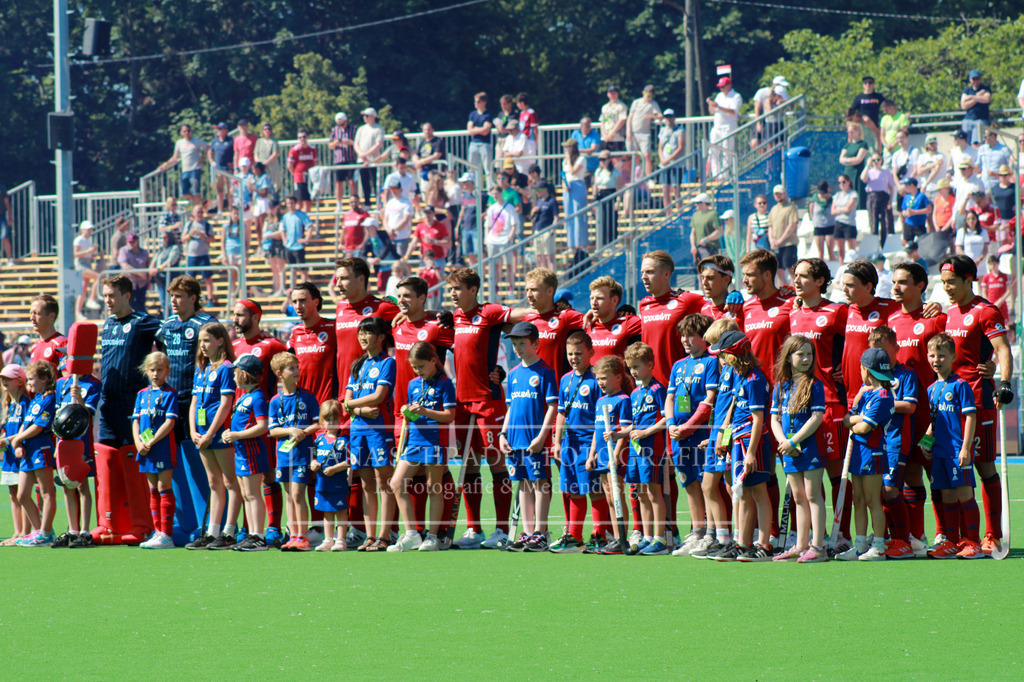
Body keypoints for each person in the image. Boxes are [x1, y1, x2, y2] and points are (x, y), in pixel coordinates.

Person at [939, 254, 1014, 555]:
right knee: (951, 466)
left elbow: (1002, 350)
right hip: (951, 403)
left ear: (968, 279)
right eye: (943, 283)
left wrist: (1004, 382)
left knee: (983, 465)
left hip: (979, 398)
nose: (947, 288)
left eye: (952, 282)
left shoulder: (985, 311)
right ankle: (957, 538)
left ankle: (992, 535)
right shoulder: (948, 313)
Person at [446, 267, 523, 549]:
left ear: (473, 290)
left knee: (496, 463)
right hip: (462, 402)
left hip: (487, 401)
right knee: (468, 465)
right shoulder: (455, 316)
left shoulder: (489, 312)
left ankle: (502, 530)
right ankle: (474, 529)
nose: (452, 294)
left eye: (457, 288)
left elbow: (524, 317)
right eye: (450, 288)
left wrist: (501, 371)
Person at [789, 259, 852, 550]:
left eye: (804, 276)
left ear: (820, 281)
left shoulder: (837, 311)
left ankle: (842, 534)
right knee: (806, 479)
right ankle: (816, 536)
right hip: (798, 407)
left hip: (829, 404)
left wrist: (843, 369)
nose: (797, 281)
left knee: (837, 472)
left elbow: (862, 336)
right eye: (796, 275)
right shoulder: (792, 311)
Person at [94, 275, 162, 545]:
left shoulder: (144, 322)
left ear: (126, 296)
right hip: (107, 406)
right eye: (105, 296)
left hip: (133, 407)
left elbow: (167, 344)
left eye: (112, 296)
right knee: (106, 464)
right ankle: (107, 524)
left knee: (136, 468)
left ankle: (142, 525)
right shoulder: (108, 324)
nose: (107, 301)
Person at [887, 262, 945, 554]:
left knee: (937, 473)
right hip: (905, 413)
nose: (896, 287)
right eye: (894, 282)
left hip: (933, 413)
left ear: (921, 285)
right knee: (910, 473)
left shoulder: (936, 319)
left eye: (903, 282)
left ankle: (943, 534)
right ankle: (916, 536)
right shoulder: (891, 319)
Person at [155, 276, 217, 545]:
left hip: (197, 403)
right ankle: (183, 525)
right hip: (170, 403)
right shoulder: (165, 326)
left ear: (193, 298)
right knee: (173, 465)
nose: (174, 301)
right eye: (172, 296)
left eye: (179, 296)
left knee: (199, 466)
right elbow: (158, 356)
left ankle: (206, 524)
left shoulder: (205, 325)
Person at [388, 341, 456, 552]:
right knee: (397, 483)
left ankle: (433, 537)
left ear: (433, 361)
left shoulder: (445, 384)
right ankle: (411, 535)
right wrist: (407, 410)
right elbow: (411, 412)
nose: (417, 371)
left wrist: (425, 411)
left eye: (420, 366)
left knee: (434, 488)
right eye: (414, 367)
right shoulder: (413, 384)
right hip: (414, 441)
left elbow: (450, 416)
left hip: (435, 441)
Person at [920, 333, 981, 559]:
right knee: (946, 495)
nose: (937, 360)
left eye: (942, 356)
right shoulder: (931, 389)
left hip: (957, 452)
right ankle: (952, 543)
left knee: (965, 494)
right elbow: (934, 420)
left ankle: (973, 542)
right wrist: (925, 443)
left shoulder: (960, 385)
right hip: (940, 453)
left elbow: (971, 417)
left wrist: (966, 448)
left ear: (953, 357)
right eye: (933, 355)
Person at [770, 335, 827, 562]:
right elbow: (774, 419)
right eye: (800, 354)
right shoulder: (780, 387)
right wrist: (784, 442)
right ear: (788, 357)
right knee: (798, 497)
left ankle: (818, 547)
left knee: (813, 495)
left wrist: (794, 442)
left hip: (809, 448)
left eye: (809, 354)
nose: (805, 358)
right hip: (789, 450)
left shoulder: (815, 385)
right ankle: (801, 545)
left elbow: (816, 417)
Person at [665, 314, 718, 556]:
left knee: (706, 485)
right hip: (678, 435)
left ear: (704, 337)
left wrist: (691, 426)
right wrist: (670, 424)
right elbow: (670, 398)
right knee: (688, 484)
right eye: (683, 335)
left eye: (691, 335)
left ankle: (711, 534)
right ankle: (696, 532)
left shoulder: (711, 362)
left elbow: (709, 399)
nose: (685, 339)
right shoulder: (678, 365)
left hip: (700, 435)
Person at [550, 332, 607, 553]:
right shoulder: (566, 379)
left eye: (579, 353)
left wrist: (593, 450)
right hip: (569, 445)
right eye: (570, 354)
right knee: (573, 489)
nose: (574, 358)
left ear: (591, 353)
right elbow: (561, 413)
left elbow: (598, 418)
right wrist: (556, 442)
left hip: (588, 444)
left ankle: (599, 535)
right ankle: (574, 536)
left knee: (594, 490)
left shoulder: (596, 380)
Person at [836, 348, 895, 561]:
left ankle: (878, 546)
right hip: (859, 453)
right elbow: (847, 419)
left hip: (873, 453)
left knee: (872, 500)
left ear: (866, 370)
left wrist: (855, 420)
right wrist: (856, 418)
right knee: (858, 499)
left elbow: (862, 428)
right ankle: (860, 545)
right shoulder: (867, 393)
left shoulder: (883, 396)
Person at [184, 323, 239, 550]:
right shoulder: (202, 368)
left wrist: (210, 433)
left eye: (207, 340)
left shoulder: (226, 368)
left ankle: (229, 532)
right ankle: (212, 531)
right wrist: (193, 431)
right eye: (200, 341)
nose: (203, 346)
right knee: (214, 482)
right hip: (203, 434)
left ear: (220, 340)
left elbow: (226, 403)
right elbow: (194, 402)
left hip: (219, 433)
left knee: (230, 481)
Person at [343, 316, 397, 551]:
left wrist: (353, 405)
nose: (363, 337)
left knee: (384, 482)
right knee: (366, 484)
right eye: (360, 333)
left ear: (382, 337)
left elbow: (379, 397)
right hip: (357, 430)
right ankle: (370, 536)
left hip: (378, 430)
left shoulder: (388, 362)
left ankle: (384, 536)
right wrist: (360, 408)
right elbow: (346, 402)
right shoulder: (358, 364)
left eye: (368, 332)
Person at [613, 342, 668, 555]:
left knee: (654, 492)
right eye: (630, 367)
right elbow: (633, 425)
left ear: (650, 365)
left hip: (651, 449)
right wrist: (620, 434)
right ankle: (646, 536)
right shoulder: (634, 393)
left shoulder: (658, 389)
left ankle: (660, 539)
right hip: (635, 451)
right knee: (640, 493)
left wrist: (646, 433)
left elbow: (666, 418)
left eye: (636, 367)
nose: (633, 372)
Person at [866, 326, 917, 559]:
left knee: (890, 489)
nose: (881, 358)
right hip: (875, 442)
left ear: (896, 349)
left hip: (896, 440)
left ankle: (904, 540)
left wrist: (882, 402)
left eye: (885, 352)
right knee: (878, 491)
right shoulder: (871, 378)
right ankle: (888, 537)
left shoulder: (905, 375)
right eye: (876, 353)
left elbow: (910, 405)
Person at [268, 351, 319, 552]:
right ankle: (293, 534)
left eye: (297, 367)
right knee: (289, 495)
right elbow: (272, 430)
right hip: (284, 455)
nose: (297, 371)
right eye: (292, 368)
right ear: (280, 374)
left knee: (298, 494)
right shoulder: (274, 401)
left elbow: (318, 423)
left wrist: (303, 433)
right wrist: (291, 430)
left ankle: (303, 537)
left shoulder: (307, 397)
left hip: (302, 454)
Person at [221, 353, 272, 551]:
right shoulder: (247, 396)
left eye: (236, 373)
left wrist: (238, 435)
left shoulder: (257, 397)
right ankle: (252, 534)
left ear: (244, 374)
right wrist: (231, 434)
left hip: (251, 452)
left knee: (252, 494)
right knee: (246, 493)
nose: (233, 377)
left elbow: (262, 426)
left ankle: (258, 536)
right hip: (242, 452)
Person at [51, 354, 100, 547]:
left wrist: (78, 396)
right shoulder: (61, 383)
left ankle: (85, 531)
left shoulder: (93, 384)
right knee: (66, 482)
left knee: (81, 485)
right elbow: (57, 415)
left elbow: (88, 414)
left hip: (82, 440)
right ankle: (72, 529)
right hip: (63, 441)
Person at [132, 351, 178, 550]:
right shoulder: (142, 394)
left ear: (167, 371)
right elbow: (135, 421)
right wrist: (138, 443)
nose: (155, 374)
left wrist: (152, 441)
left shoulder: (170, 394)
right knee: (152, 490)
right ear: (146, 371)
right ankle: (157, 531)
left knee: (163, 487)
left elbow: (170, 422)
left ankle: (167, 534)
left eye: (160, 370)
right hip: (144, 448)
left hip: (162, 447)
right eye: (152, 370)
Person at [8, 361, 58, 546]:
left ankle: (45, 533)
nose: (28, 384)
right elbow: (27, 422)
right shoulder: (35, 398)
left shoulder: (49, 398)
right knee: (22, 494)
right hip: (28, 450)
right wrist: (19, 439)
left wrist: (18, 438)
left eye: (31, 380)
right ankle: (39, 531)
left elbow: (39, 426)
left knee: (47, 492)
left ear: (44, 379)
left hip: (40, 448)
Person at [588, 354, 632, 554]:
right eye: (598, 379)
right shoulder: (600, 401)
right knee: (608, 497)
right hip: (602, 457)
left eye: (604, 378)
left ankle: (622, 537)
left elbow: (624, 431)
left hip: (616, 457)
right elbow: (597, 432)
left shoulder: (622, 400)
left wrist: (615, 454)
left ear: (618, 377)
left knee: (617, 496)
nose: (601, 382)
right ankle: (615, 537)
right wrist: (591, 455)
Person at [310, 400, 351, 551]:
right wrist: (313, 463)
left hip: (339, 483)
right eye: (328, 419)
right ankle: (328, 539)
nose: (331, 422)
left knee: (341, 511)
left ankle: (341, 539)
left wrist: (335, 468)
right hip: (322, 484)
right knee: (327, 512)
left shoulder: (344, 440)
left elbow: (350, 461)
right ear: (322, 421)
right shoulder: (319, 440)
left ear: (341, 419)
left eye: (335, 419)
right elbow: (313, 457)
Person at [0, 364, 31, 545]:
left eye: (8, 378)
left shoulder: (25, 402)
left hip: (21, 453)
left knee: (23, 494)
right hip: (10, 455)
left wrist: (9, 439)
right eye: (3, 378)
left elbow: (25, 428)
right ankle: (17, 532)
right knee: (13, 493)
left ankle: (26, 532)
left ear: (19, 381)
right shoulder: (9, 404)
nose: (4, 381)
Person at [584, 276, 642, 361]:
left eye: (599, 298)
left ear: (614, 300)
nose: (593, 303)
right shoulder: (587, 322)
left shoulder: (627, 323)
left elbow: (655, 324)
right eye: (592, 298)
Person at [160, 124, 208, 207]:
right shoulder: (179, 143)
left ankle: (195, 211)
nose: (187, 133)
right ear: (181, 132)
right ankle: (204, 202)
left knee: (195, 192)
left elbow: (209, 147)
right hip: (185, 170)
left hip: (195, 169)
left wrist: (202, 158)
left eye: (188, 131)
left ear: (191, 131)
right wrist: (165, 164)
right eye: (184, 131)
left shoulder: (197, 141)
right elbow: (175, 157)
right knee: (184, 193)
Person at [707, 76, 742, 176]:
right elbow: (712, 112)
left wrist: (718, 106)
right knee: (713, 151)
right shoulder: (719, 96)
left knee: (727, 151)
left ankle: (724, 175)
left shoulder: (736, 96)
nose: (721, 89)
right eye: (720, 87)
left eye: (723, 87)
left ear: (729, 85)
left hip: (728, 127)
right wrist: (711, 104)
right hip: (717, 127)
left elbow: (732, 111)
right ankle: (716, 175)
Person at [183, 205, 216, 305]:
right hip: (191, 256)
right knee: (189, 279)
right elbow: (183, 239)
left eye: (201, 212)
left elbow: (213, 239)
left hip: (203, 255)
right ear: (193, 213)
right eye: (198, 212)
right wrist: (191, 234)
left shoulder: (207, 225)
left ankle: (210, 299)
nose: (200, 214)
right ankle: (189, 299)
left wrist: (204, 236)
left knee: (207, 277)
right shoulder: (189, 225)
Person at [626, 85, 662, 177]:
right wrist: (628, 131)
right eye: (648, 95)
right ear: (643, 93)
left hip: (644, 133)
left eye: (651, 95)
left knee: (646, 155)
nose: (649, 97)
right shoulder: (636, 102)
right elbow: (630, 117)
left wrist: (652, 116)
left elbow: (660, 116)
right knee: (635, 156)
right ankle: (636, 177)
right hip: (633, 132)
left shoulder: (653, 104)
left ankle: (649, 177)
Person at [861, 153, 895, 248]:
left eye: (878, 159)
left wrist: (890, 201)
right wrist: (868, 165)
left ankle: (884, 244)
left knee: (885, 222)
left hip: (883, 196)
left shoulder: (886, 172)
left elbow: (891, 188)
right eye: (874, 160)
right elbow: (863, 178)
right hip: (872, 197)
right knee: (873, 222)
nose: (876, 162)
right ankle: (874, 245)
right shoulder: (869, 172)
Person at [767, 185, 799, 284]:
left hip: (788, 244)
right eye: (776, 194)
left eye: (780, 193)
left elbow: (792, 225)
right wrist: (771, 240)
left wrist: (780, 240)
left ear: (785, 194)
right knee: (779, 270)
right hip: (776, 246)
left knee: (791, 270)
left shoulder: (791, 207)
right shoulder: (773, 209)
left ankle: (794, 293)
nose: (778, 196)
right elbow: (770, 226)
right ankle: (784, 294)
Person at [592, 150, 623, 248]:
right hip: (600, 195)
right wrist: (594, 199)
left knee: (611, 220)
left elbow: (619, 188)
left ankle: (612, 243)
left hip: (610, 195)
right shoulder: (598, 171)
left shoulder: (615, 172)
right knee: (601, 220)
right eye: (600, 159)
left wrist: (618, 201)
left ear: (609, 160)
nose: (601, 161)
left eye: (603, 159)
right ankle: (602, 242)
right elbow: (595, 186)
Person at [354, 108, 385, 207]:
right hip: (362, 161)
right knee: (364, 181)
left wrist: (365, 155)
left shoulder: (378, 129)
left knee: (375, 181)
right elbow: (356, 143)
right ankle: (367, 202)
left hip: (373, 160)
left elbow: (378, 145)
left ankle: (378, 202)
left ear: (372, 117)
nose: (364, 118)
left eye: (366, 116)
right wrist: (361, 155)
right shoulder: (361, 129)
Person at [328, 112, 358, 208]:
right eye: (339, 124)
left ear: (346, 121)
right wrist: (337, 142)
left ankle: (354, 202)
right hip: (339, 159)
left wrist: (347, 141)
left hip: (351, 158)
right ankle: (339, 204)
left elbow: (357, 143)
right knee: (339, 182)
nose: (341, 126)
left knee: (352, 182)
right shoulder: (334, 130)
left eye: (342, 124)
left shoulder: (353, 129)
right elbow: (330, 145)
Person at [73, 220, 102, 318]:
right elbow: (75, 254)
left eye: (91, 230)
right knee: (99, 277)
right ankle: (92, 298)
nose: (90, 232)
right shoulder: (79, 240)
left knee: (83, 289)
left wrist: (93, 254)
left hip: (87, 263)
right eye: (88, 230)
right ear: (83, 230)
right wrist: (88, 251)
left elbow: (86, 254)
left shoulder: (87, 240)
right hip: (81, 264)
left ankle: (78, 312)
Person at [850, 76, 885, 152]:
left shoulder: (878, 97)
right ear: (863, 85)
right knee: (863, 148)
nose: (868, 85)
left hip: (874, 127)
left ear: (873, 85)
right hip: (863, 127)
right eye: (866, 83)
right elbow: (852, 111)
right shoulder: (859, 97)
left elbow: (887, 107)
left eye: (870, 83)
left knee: (874, 149)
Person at [118, 232, 151, 311]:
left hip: (141, 284)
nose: (131, 243)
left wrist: (149, 281)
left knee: (141, 304)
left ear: (137, 241)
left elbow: (148, 267)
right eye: (129, 242)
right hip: (129, 283)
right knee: (129, 304)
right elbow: (124, 265)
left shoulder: (144, 252)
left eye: (133, 241)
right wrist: (139, 273)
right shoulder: (123, 250)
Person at [467, 92, 494, 187]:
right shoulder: (472, 114)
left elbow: (486, 131)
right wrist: (481, 129)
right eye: (475, 101)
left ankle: (490, 190)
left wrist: (475, 129)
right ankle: (474, 189)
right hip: (474, 143)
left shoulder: (488, 114)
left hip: (485, 144)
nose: (476, 103)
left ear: (484, 102)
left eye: (478, 101)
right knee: (472, 169)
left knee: (487, 168)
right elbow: (469, 130)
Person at [839, 120, 869, 206]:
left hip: (857, 172)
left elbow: (858, 159)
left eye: (852, 132)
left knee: (858, 193)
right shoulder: (847, 145)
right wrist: (849, 161)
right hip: (848, 172)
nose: (850, 134)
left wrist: (847, 160)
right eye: (848, 132)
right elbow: (841, 159)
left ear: (858, 131)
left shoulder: (863, 144)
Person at [207, 122, 234, 214]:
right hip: (218, 170)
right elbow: (210, 152)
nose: (218, 131)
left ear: (225, 130)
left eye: (220, 129)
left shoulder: (230, 141)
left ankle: (231, 209)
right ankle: (220, 210)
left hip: (228, 170)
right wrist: (212, 162)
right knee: (219, 191)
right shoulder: (215, 141)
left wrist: (233, 164)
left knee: (229, 191)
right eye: (217, 129)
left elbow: (235, 153)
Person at [831, 175, 858, 262]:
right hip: (839, 223)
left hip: (849, 224)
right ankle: (842, 268)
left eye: (843, 182)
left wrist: (838, 209)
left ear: (848, 182)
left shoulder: (853, 194)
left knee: (851, 251)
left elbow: (848, 209)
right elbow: (832, 211)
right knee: (840, 251)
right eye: (839, 182)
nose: (841, 184)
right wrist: (843, 209)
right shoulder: (837, 195)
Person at [960, 69, 991, 145]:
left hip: (980, 120)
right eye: (974, 79)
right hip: (968, 119)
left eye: (977, 79)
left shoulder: (985, 89)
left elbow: (986, 99)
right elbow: (963, 105)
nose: (976, 81)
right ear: (970, 80)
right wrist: (977, 97)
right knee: (965, 142)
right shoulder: (967, 90)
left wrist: (971, 97)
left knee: (977, 143)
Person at [688, 192, 722, 262]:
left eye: (697, 203)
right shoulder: (695, 215)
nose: (695, 205)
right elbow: (692, 233)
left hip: (710, 248)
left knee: (708, 269)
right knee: (699, 270)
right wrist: (693, 246)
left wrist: (706, 239)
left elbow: (719, 231)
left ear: (703, 203)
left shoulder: (713, 214)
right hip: (698, 249)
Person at [807, 181, 835, 261]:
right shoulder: (814, 200)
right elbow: (811, 214)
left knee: (831, 252)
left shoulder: (832, 199)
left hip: (830, 226)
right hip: (818, 227)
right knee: (820, 252)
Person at [915, 135, 947, 199]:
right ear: (926, 145)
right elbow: (919, 171)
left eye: (934, 143)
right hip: (926, 189)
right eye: (930, 143)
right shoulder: (922, 157)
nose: (933, 145)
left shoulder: (940, 156)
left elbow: (935, 170)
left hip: (937, 188)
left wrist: (926, 183)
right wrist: (933, 164)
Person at [255, 123, 282, 197]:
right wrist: (259, 164)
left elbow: (275, 153)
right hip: (261, 166)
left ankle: (274, 199)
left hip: (271, 165)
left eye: (269, 129)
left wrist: (266, 163)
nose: (267, 130)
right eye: (265, 129)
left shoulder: (274, 140)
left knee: (274, 183)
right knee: (262, 182)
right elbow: (256, 153)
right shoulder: (259, 141)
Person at [599, 85, 628, 152]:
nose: (613, 95)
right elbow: (602, 121)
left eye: (614, 93)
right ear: (608, 94)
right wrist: (604, 135)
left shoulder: (621, 106)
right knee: (604, 158)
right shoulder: (605, 107)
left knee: (617, 159)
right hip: (605, 138)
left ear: (617, 94)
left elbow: (622, 120)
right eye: (611, 93)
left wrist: (611, 134)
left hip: (617, 137)